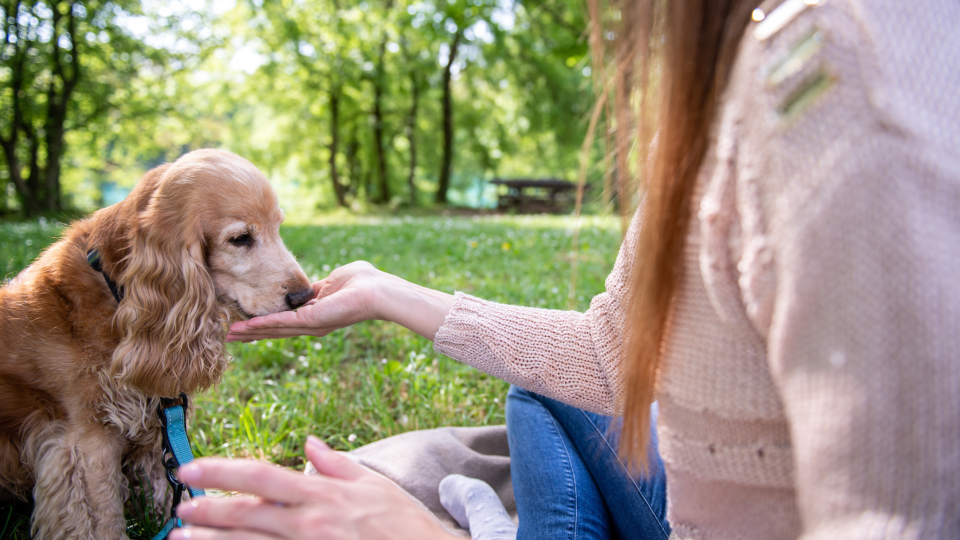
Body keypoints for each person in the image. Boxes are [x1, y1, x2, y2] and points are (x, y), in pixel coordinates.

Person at [168, 0, 960, 538]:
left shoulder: (846, 105)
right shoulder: (735, 65)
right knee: (535, 382)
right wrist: (386, 293)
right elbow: (615, 356)